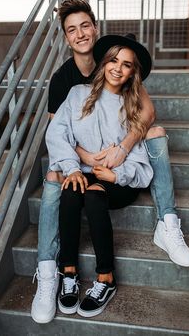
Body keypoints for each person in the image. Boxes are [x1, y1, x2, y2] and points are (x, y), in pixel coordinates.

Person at [31, 0, 189, 324]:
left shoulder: (128, 100)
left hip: (116, 175)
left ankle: (155, 233)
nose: (80, 34)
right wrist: (76, 164)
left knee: (97, 188)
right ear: (66, 37)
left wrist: (119, 158)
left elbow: (147, 117)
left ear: (95, 27)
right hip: (83, 167)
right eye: (71, 29)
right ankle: (60, 273)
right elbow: (58, 132)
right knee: (65, 186)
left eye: (85, 26)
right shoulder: (71, 88)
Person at [45, 34, 154, 317]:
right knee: (70, 190)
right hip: (84, 171)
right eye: (114, 60)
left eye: (127, 65)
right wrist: (70, 167)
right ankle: (68, 272)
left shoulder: (133, 108)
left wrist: (116, 174)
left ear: (133, 72)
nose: (118, 68)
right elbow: (58, 133)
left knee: (93, 196)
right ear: (104, 62)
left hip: (119, 180)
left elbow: (141, 163)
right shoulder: (78, 94)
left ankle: (106, 278)